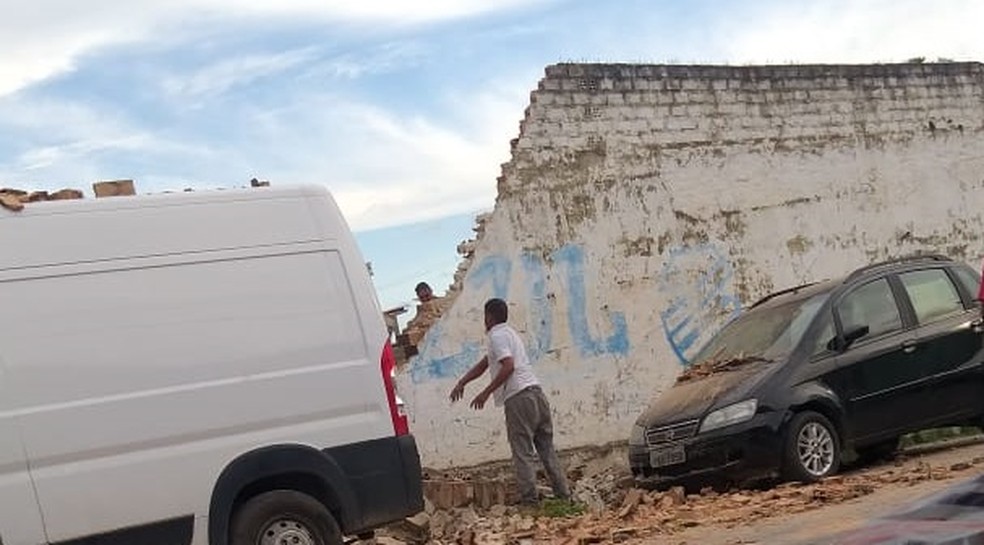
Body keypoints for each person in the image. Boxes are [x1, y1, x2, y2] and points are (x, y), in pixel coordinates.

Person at [449, 298, 570, 505]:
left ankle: (529, 502)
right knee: (546, 449)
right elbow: (484, 364)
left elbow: (508, 366)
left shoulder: (496, 336)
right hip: (536, 393)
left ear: (489, 317)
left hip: (519, 397)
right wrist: (463, 382)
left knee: (522, 452)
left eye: (484, 316)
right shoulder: (510, 334)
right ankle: (564, 496)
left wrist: (486, 393)